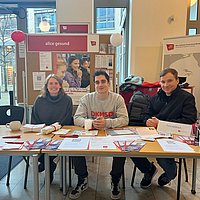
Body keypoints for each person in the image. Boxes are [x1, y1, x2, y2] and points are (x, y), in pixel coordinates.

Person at [131, 68, 197, 189]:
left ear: (177, 81)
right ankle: (149, 170)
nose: (166, 85)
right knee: (132, 149)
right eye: (163, 82)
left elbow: (189, 120)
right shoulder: (155, 97)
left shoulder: (187, 98)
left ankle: (169, 175)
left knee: (163, 159)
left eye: (169, 81)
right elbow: (146, 114)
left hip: (175, 137)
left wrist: (160, 124)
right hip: (153, 134)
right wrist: (147, 120)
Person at [69, 70, 129, 200]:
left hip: (111, 133)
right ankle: (82, 178)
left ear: (109, 83)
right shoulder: (86, 98)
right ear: (94, 84)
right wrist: (91, 123)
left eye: (103, 81)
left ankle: (115, 179)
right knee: (73, 147)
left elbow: (125, 119)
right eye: (97, 82)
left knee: (122, 148)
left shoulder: (117, 98)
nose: (100, 85)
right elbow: (77, 118)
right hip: (92, 133)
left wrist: (107, 122)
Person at [31, 74, 73, 183]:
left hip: (60, 132)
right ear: (46, 86)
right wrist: (44, 129)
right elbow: (34, 118)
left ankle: (47, 166)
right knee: (36, 146)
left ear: (60, 86)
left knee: (52, 147)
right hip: (43, 132)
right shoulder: (39, 100)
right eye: (51, 83)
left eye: (56, 83)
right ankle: (49, 165)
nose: (53, 86)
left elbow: (67, 118)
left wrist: (54, 128)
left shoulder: (67, 100)